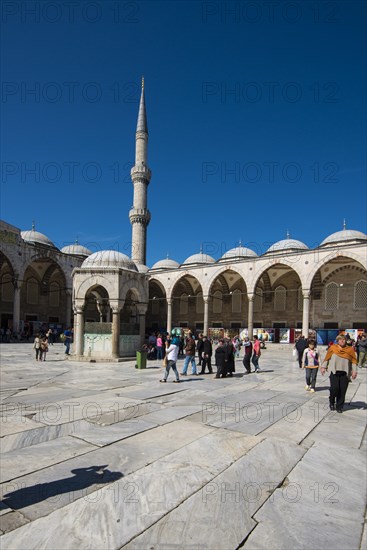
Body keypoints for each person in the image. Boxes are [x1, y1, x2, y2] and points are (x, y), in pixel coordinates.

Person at [320, 334, 358, 413]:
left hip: (345, 372)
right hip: (334, 372)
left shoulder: (350, 350)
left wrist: (354, 371)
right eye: (340, 339)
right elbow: (327, 358)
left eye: (343, 339)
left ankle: (339, 406)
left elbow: (354, 361)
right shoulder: (333, 348)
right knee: (334, 388)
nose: (342, 341)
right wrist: (323, 367)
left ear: (346, 341)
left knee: (342, 390)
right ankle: (331, 401)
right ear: (337, 341)